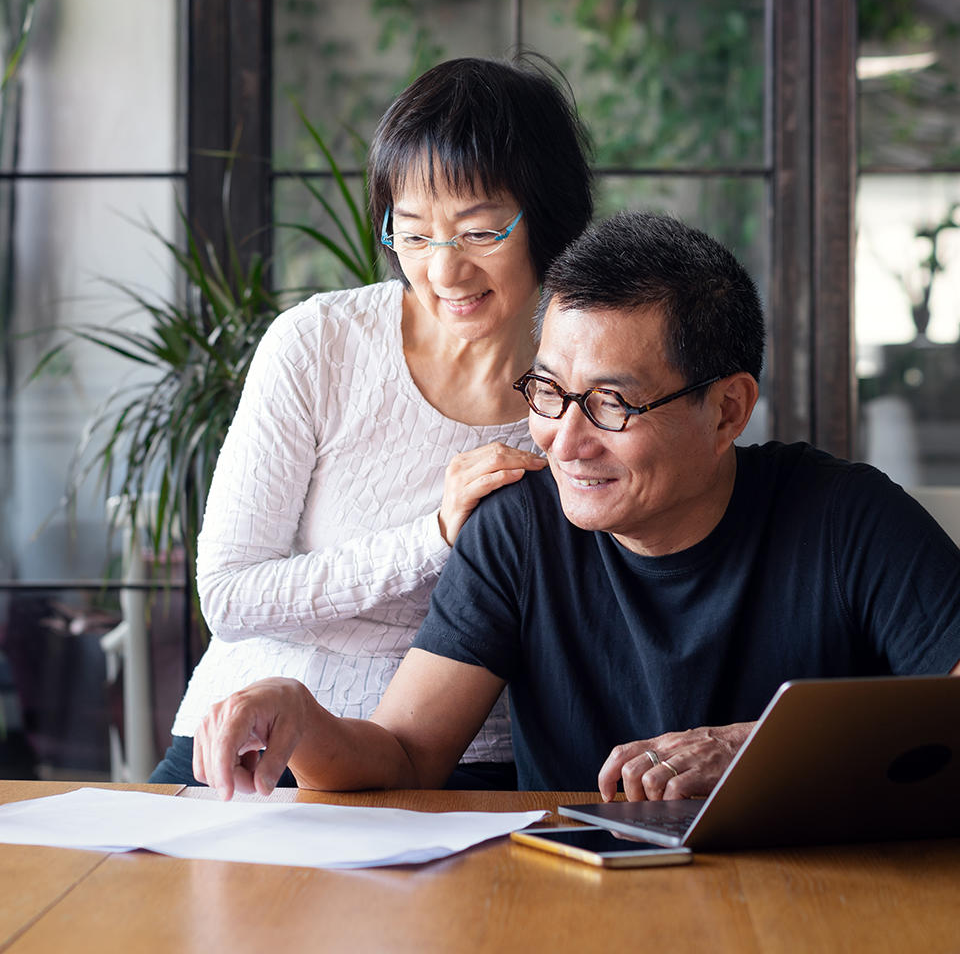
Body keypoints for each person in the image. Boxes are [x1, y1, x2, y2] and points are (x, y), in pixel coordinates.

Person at [190, 211, 960, 801]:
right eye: (550, 392)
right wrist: (301, 715)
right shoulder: (518, 527)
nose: (565, 441)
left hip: (815, 899)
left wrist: (755, 748)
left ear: (728, 411)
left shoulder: (846, 518)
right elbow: (402, 755)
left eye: (612, 404)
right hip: (579, 904)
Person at [149, 53, 594, 789]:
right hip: (254, 735)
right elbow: (229, 594)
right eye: (413, 233)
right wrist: (435, 535)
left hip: (459, 757)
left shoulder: (583, 392)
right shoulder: (322, 342)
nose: (443, 271)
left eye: (479, 232)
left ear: (547, 218)